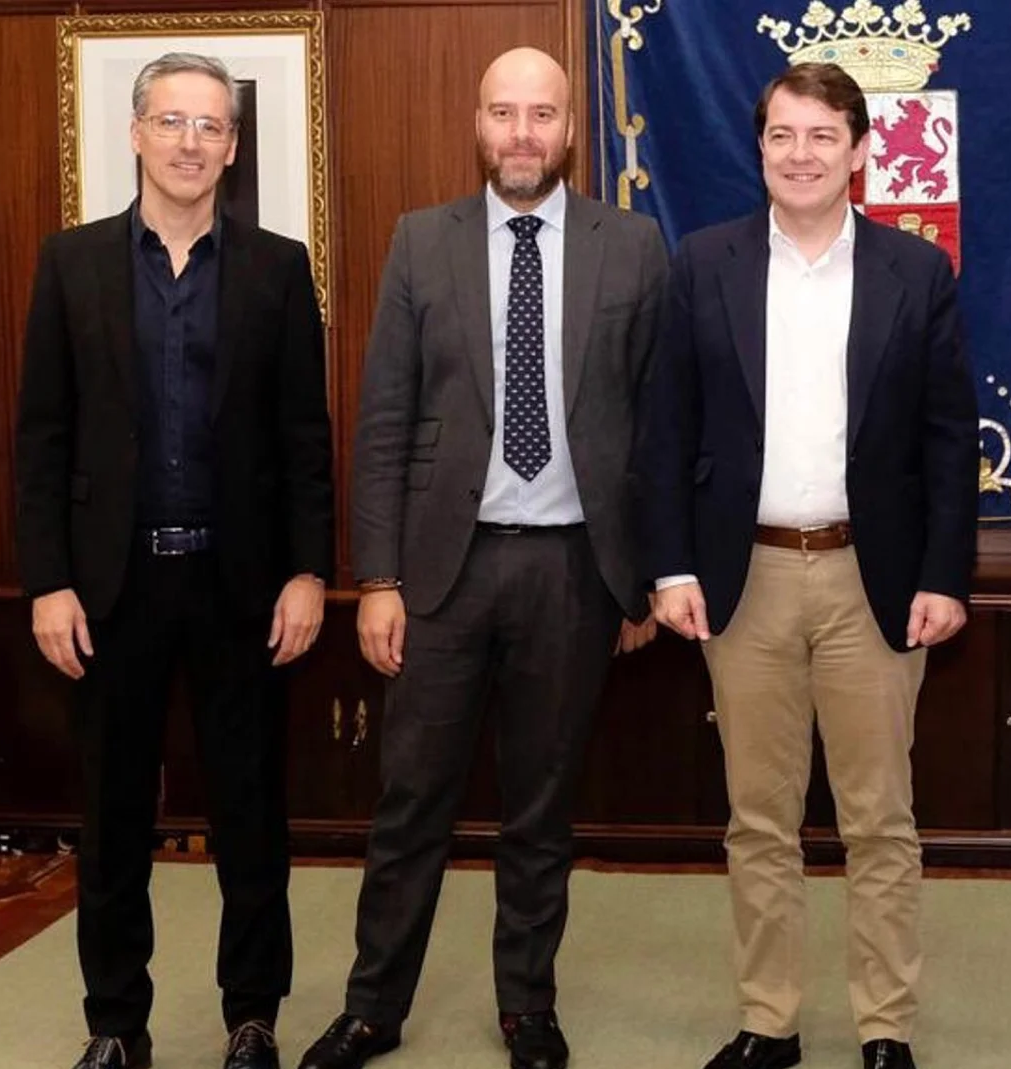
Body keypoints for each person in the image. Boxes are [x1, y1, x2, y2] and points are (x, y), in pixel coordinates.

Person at [293, 46, 667, 1069]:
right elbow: (383, 421)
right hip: (442, 576)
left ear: (569, 130)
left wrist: (642, 573)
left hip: (574, 574)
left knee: (542, 811)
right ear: (477, 122)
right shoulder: (423, 242)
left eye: (540, 114)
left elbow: (654, 427)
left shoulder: (631, 246)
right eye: (503, 113)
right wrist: (376, 578)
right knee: (410, 800)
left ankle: (527, 1010)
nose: (521, 134)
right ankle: (373, 1006)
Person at [640, 61, 977, 1069]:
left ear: (861, 151)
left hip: (871, 583)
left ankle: (885, 1028)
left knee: (881, 821)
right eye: (782, 135)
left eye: (822, 136)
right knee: (757, 820)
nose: (800, 154)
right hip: (741, 581)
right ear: (760, 149)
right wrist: (668, 566)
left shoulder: (914, 272)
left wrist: (945, 576)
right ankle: (768, 1021)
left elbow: (948, 438)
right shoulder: (703, 263)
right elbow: (665, 430)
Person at [15, 51, 334, 1069]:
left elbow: (303, 439)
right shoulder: (69, 264)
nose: (191, 141)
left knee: (251, 814)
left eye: (210, 126)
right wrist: (47, 581)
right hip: (112, 589)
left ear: (232, 148)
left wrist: (307, 570)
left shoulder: (279, 268)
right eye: (173, 121)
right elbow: (42, 437)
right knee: (111, 821)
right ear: (137, 133)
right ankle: (116, 1025)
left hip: (240, 586)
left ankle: (252, 1016)